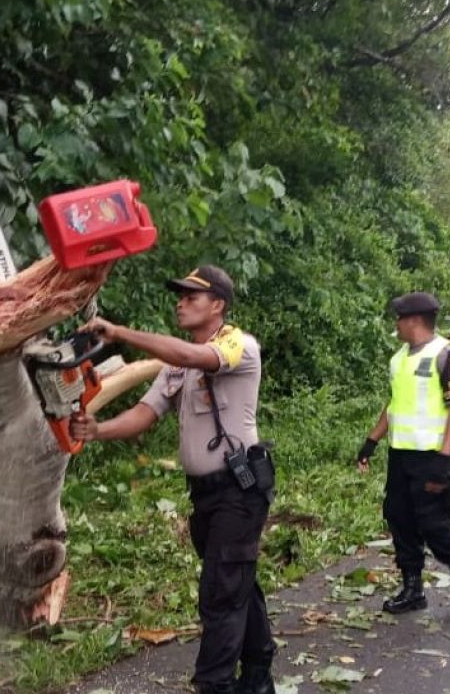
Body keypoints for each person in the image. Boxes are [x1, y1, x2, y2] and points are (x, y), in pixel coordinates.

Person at [69, 265, 276, 694]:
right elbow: (144, 415)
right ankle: (258, 674)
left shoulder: (238, 344)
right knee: (236, 581)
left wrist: (120, 333)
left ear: (217, 305)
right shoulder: (174, 367)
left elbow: (188, 355)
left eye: (191, 297)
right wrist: (97, 430)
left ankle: (214, 684)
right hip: (206, 496)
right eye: (179, 296)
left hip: (240, 492)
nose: (180, 303)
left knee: (220, 592)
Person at [355, 292, 450, 619]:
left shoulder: (447, 356)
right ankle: (412, 588)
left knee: (435, 525)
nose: (395, 324)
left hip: (432, 458)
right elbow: (394, 405)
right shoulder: (398, 359)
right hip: (401, 455)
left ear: (413, 321)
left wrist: (445, 454)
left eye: (398, 318)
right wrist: (372, 441)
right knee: (400, 519)